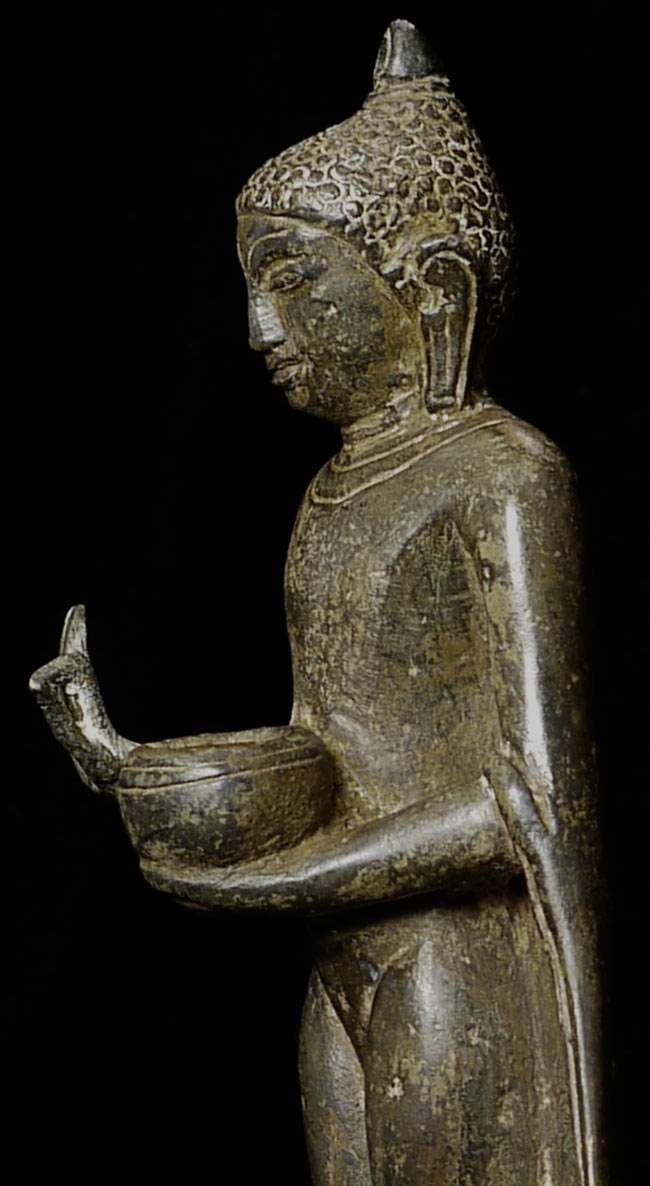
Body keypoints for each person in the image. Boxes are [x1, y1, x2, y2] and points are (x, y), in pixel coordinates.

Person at [30, 21, 606, 1186]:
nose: (259, 332)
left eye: (293, 281)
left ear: (433, 288)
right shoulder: (330, 492)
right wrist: (129, 764)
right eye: (253, 290)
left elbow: (533, 803)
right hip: (340, 966)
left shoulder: (503, 473)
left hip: (450, 965)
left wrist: (277, 880)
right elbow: (323, 757)